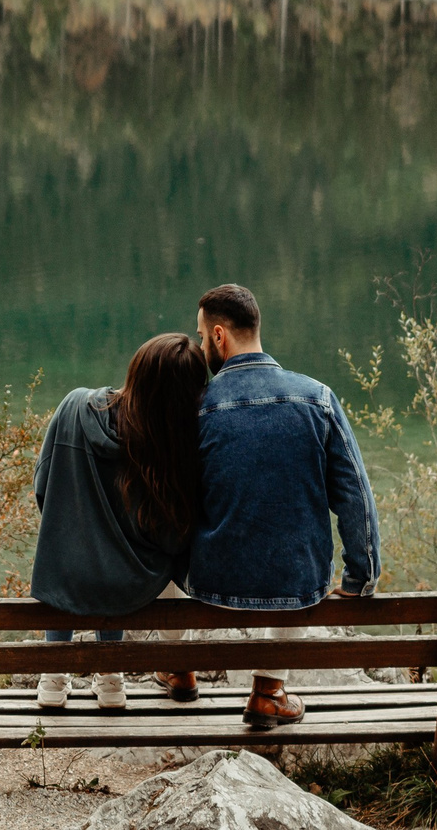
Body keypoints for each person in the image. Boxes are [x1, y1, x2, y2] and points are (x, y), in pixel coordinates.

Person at [179, 282, 380, 732]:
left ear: (218, 336)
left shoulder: (197, 409)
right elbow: (354, 495)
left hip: (211, 584)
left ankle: (177, 667)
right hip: (295, 588)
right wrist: (360, 577)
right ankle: (268, 691)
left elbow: (174, 500)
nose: (199, 345)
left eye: (200, 334)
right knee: (299, 559)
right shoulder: (318, 398)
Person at [27, 331, 211, 711]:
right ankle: (111, 678)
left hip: (68, 569)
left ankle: (53, 677)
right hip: (130, 583)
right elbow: (172, 537)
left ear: (137, 370)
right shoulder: (174, 447)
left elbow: (43, 485)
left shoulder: (75, 407)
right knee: (114, 562)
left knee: (67, 549)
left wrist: (74, 526)